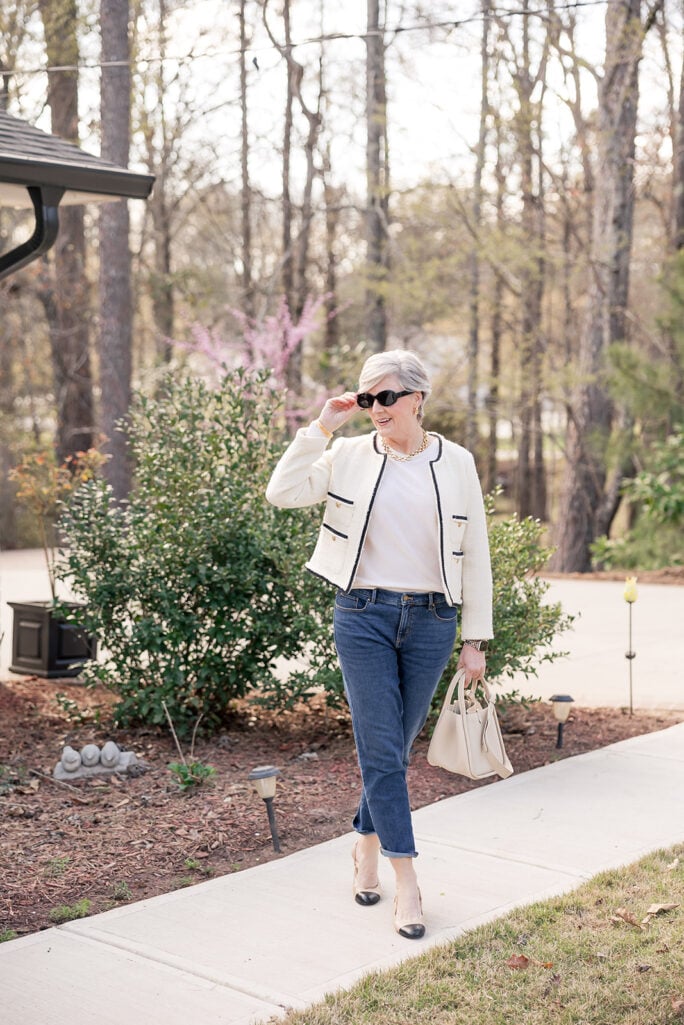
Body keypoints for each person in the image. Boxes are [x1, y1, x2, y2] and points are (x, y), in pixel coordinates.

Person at [265, 349, 493, 940]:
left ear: (417, 398)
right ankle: (406, 878)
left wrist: (475, 638)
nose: (377, 409)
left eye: (387, 397)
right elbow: (282, 492)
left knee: (395, 748)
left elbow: (477, 554)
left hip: (433, 620)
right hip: (362, 615)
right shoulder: (346, 454)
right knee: (382, 750)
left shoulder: (456, 462)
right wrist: (321, 427)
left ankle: (364, 840)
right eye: (368, 399)